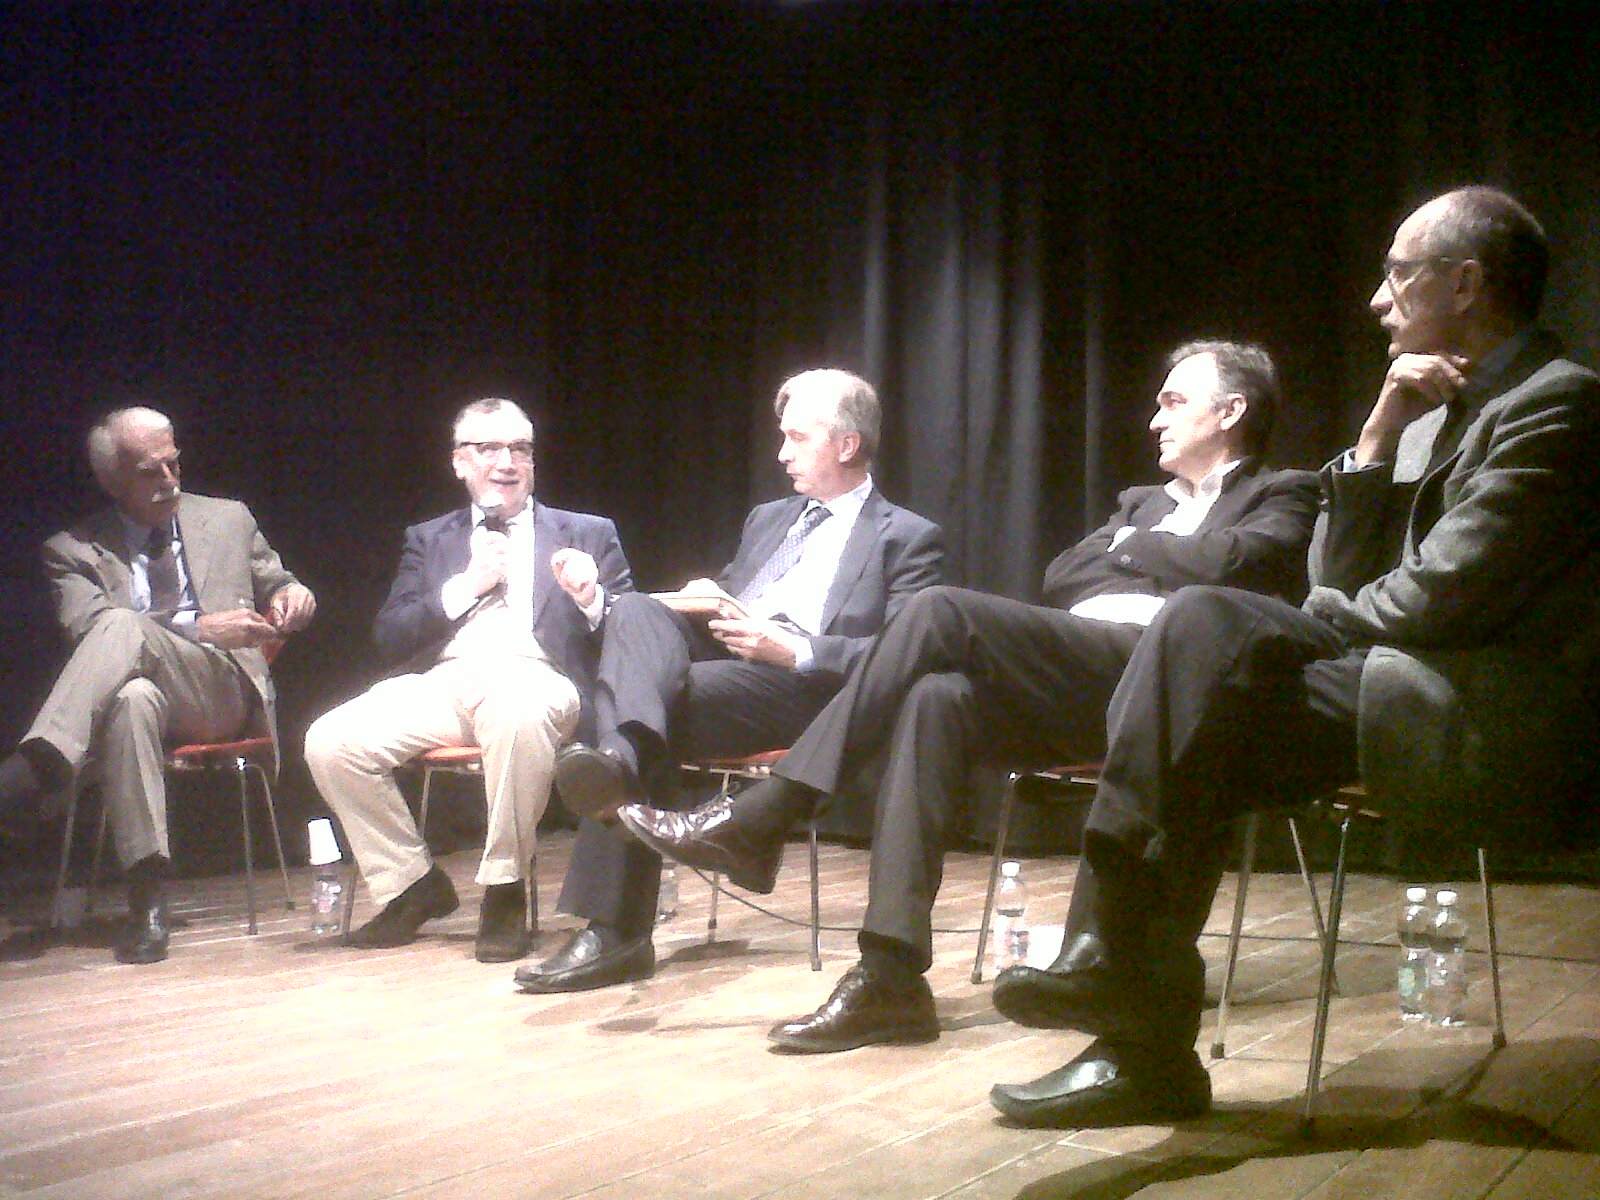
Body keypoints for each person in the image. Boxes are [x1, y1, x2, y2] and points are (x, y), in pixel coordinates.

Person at [984, 186, 1600, 1129]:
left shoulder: (1558, 404)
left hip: (1474, 707)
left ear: (1467, 285)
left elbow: (1439, 597)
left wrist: (1311, 617)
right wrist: (1376, 438)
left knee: (1200, 627)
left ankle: (1119, 988)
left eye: (1399, 275)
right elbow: (1344, 573)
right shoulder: (1429, 417)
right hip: (1390, 677)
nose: (1378, 300)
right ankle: (1135, 1036)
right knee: (1199, 719)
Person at [622, 341, 1322, 1051]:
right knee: (935, 696)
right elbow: (1063, 575)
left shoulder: (1284, 492)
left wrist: (1129, 551)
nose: (1154, 420)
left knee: (939, 611)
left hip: (1171, 682)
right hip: (1084, 682)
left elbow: (1234, 562)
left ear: (1230, 412)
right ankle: (891, 977)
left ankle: (768, 814)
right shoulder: (1141, 503)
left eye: (1174, 402)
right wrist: (1148, 549)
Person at [514, 368, 945, 993]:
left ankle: (614, 927)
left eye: (797, 438)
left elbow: (903, 652)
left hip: (808, 690)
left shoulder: (905, 536)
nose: (782, 453)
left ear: (847, 445)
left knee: (647, 710)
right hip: (727, 662)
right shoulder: (768, 519)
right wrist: (698, 599)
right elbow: (728, 597)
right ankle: (621, 760)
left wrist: (793, 650)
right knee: (636, 612)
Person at [303, 398, 632, 962]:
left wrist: (591, 597)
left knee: (516, 711)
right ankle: (411, 884)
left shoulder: (586, 531)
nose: (506, 462)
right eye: (488, 448)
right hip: (447, 681)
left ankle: (504, 888)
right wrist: (466, 587)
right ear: (459, 461)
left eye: (520, 449)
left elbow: (635, 629)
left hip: (538, 677)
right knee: (331, 741)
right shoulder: (430, 538)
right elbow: (390, 635)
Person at [0, 407, 316, 964]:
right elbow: (88, 631)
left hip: (220, 690)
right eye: (151, 472)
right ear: (112, 480)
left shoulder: (229, 518)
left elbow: (277, 580)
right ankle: (148, 898)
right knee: (131, 696)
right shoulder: (71, 550)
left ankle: (34, 772)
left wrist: (293, 594)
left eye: (174, 463)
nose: (170, 481)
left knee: (123, 626)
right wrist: (198, 624)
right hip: (137, 694)